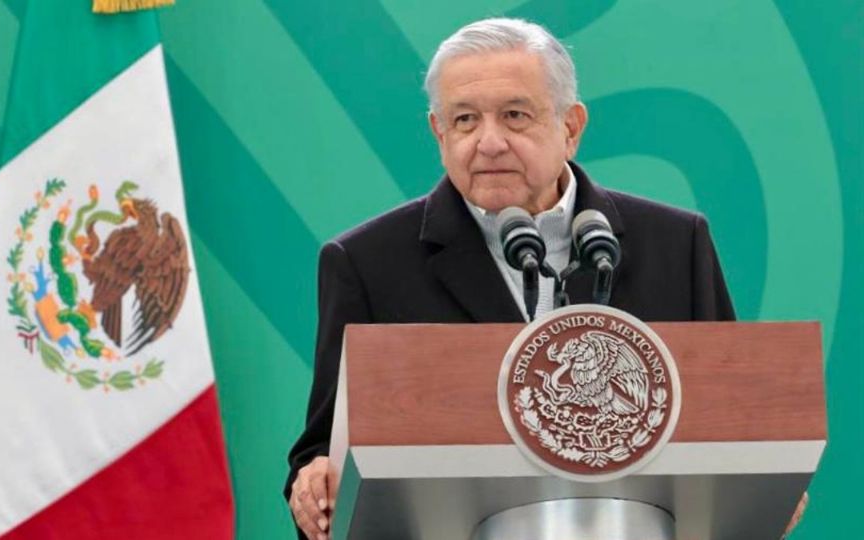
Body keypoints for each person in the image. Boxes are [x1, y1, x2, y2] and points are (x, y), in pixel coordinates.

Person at [285, 17, 737, 539]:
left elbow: (732, 421)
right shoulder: (365, 262)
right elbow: (323, 450)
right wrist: (313, 483)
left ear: (570, 127)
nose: (489, 142)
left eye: (515, 116)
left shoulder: (675, 244)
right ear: (438, 131)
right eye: (465, 120)